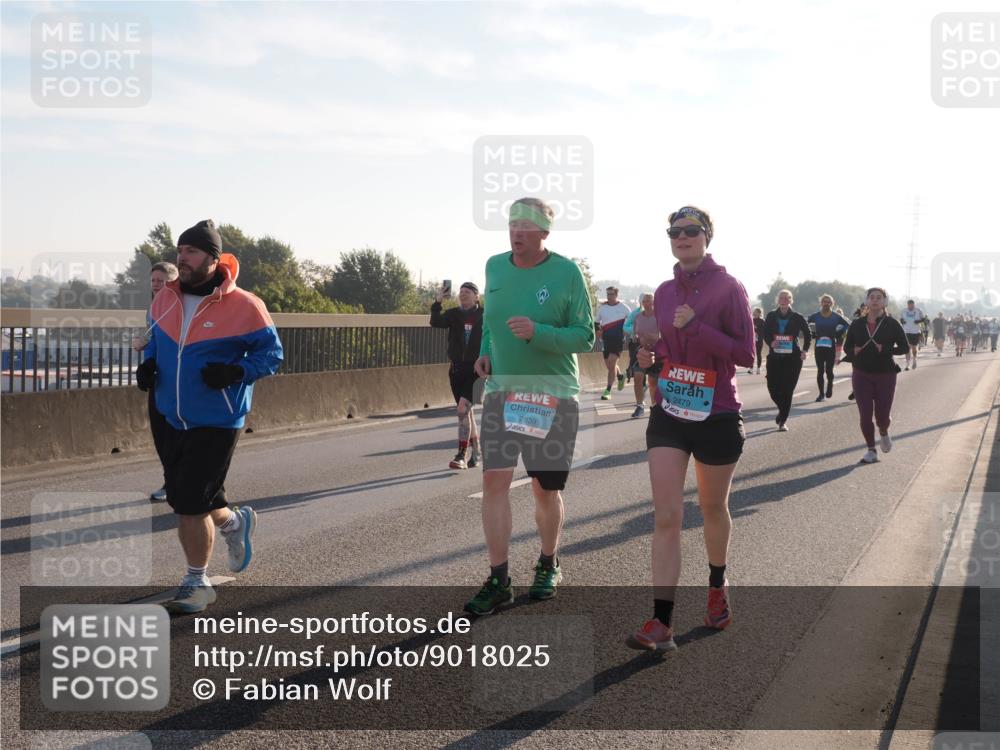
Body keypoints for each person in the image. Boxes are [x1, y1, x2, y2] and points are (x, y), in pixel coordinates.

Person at [137, 219, 283, 613]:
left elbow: (272, 356)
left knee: (187, 502)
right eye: (180, 251)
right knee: (196, 494)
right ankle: (234, 523)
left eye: (192, 251)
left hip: (218, 416)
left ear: (213, 258)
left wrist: (237, 372)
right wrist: (148, 365)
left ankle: (196, 582)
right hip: (168, 412)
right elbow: (152, 340)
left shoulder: (246, 305)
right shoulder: (163, 298)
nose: (182, 258)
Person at [625, 205, 754, 651]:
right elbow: (667, 347)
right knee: (667, 515)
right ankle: (661, 625)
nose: (681, 237)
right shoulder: (662, 292)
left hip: (716, 412)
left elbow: (746, 355)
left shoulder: (728, 287)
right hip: (671, 411)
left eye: (690, 230)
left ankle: (717, 585)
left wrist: (698, 327)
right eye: (674, 231)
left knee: (712, 508)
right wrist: (652, 358)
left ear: (706, 237)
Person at [464, 197, 595, 616]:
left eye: (526, 225)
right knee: (494, 484)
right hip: (504, 391)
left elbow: (585, 336)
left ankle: (548, 560)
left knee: (545, 489)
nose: (516, 232)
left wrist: (538, 332)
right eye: (512, 223)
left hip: (552, 394)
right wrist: (485, 351)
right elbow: (490, 321)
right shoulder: (494, 266)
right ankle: (499, 578)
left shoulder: (566, 272)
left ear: (544, 232)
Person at [842, 287, 908, 464]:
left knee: (882, 417)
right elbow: (846, 347)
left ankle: (884, 431)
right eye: (872, 297)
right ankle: (871, 450)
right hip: (861, 373)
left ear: (884, 302)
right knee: (865, 414)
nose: (875, 300)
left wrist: (885, 349)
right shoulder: (857, 324)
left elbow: (904, 348)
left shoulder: (892, 324)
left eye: (879, 297)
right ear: (866, 301)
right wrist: (852, 350)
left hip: (885, 374)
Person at [132, 262, 179, 502]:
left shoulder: (185, 307)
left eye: (161, 281)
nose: (156, 285)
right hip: (160, 380)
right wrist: (147, 363)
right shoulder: (152, 310)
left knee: (179, 435)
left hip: (182, 382)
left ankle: (185, 483)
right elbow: (152, 342)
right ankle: (171, 482)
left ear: (173, 282)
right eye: (153, 281)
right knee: (160, 434)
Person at [430, 282, 484, 469]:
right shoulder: (453, 314)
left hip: (476, 370)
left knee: (462, 409)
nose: (463, 294)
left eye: (467, 292)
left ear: (476, 296)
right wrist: (438, 302)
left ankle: (462, 454)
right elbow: (435, 322)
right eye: (461, 292)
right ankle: (476, 452)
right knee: (465, 411)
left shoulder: (485, 315)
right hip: (456, 370)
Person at [763, 290, 811, 431]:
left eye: (786, 298)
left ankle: (782, 420)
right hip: (774, 357)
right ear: (778, 300)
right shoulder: (771, 315)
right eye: (781, 297)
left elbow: (808, 333)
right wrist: (771, 342)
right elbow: (765, 332)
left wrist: (805, 350)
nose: (784, 300)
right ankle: (782, 409)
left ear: (791, 300)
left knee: (787, 390)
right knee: (773, 388)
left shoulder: (797, 317)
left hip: (793, 358)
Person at [623, 293, 659, 418]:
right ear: (642, 303)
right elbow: (634, 333)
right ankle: (639, 406)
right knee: (638, 377)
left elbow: (664, 335)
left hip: (657, 352)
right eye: (645, 301)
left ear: (654, 302)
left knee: (653, 381)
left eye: (650, 301)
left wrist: (653, 337)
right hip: (642, 351)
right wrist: (637, 337)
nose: (647, 304)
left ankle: (655, 407)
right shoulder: (638, 317)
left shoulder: (659, 316)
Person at [807, 294, 849, 401]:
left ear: (832, 303)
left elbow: (848, 324)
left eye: (828, 302)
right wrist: (812, 333)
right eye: (824, 301)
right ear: (821, 303)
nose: (826, 303)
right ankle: (821, 394)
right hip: (819, 346)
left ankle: (830, 385)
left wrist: (839, 333)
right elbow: (805, 323)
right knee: (820, 370)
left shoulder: (836, 316)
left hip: (831, 346)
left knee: (829, 370)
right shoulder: (815, 316)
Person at [595, 286, 631, 400]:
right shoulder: (602, 308)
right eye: (608, 294)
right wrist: (598, 331)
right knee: (610, 366)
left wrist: (626, 330)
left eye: (611, 294)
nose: (609, 296)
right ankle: (620, 376)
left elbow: (632, 321)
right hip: (605, 340)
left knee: (611, 364)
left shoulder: (624, 307)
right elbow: (596, 322)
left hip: (618, 340)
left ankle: (608, 390)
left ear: (616, 295)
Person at [899, 299, 925, 370]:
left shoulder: (918, 311)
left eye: (913, 305)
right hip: (906, 331)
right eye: (910, 305)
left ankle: (914, 359)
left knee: (913, 347)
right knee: (907, 348)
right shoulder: (904, 311)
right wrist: (902, 321)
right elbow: (901, 319)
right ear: (908, 305)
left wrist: (918, 321)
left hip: (915, 331)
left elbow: (923, 319)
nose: (911, 307)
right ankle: (907, 364)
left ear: (914, 304)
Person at [749, 308, 765, 374]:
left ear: (759, 313)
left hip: (759, 340)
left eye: (756, 312)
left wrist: (757, 330)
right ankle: (751, 368)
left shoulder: (762, 321)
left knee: (758, 354)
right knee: (752, 354)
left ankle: (758, 368)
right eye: (754, 312)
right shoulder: (751, 320)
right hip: (751, 340)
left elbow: (764, 330)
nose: (754, 313)